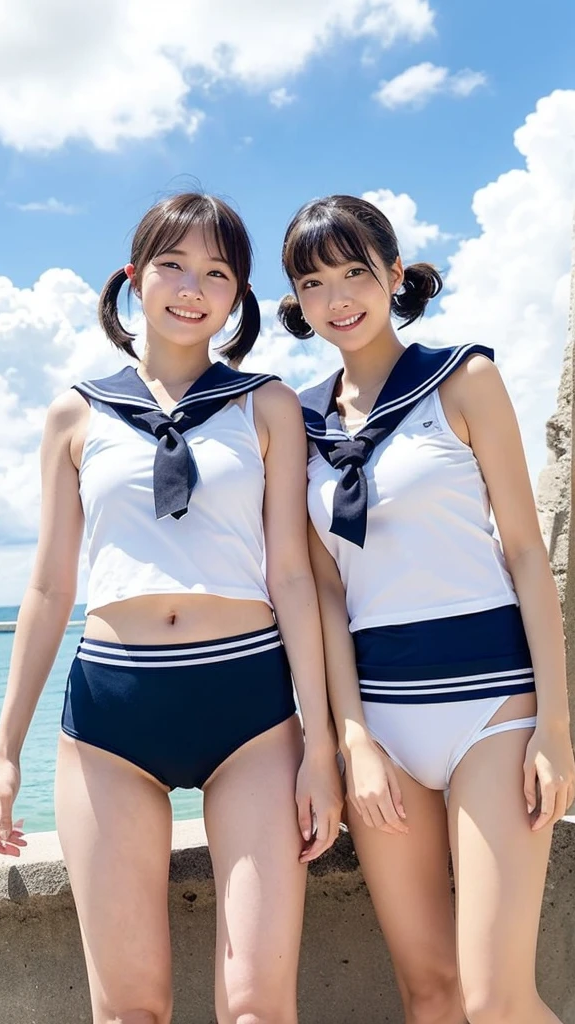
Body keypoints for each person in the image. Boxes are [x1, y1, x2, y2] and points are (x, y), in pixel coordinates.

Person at [0, 192, 342, 1024]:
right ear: (133, 277)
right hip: (112, 716)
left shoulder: (268, 406)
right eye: (173, 263)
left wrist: (320, 748)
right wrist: (4, 752)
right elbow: (48, 586)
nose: (192, 286)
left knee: (255, 1008)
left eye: (217, 271)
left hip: (249, 711)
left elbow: (292, 578)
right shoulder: (77, 411)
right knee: (131, 1009)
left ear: (238, 296)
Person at [277, 193, 575, 1024]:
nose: (337, 298)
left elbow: (526, 554)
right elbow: (326, 593)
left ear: (394, 274)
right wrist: (350, 740)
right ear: (296, 303)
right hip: (384, 721)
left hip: (493, 708)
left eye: (353, 272)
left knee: (494, 999)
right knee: (432, 995)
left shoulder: (464, 378)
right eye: (312, 283)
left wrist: (555, 728)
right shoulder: (296, 421)